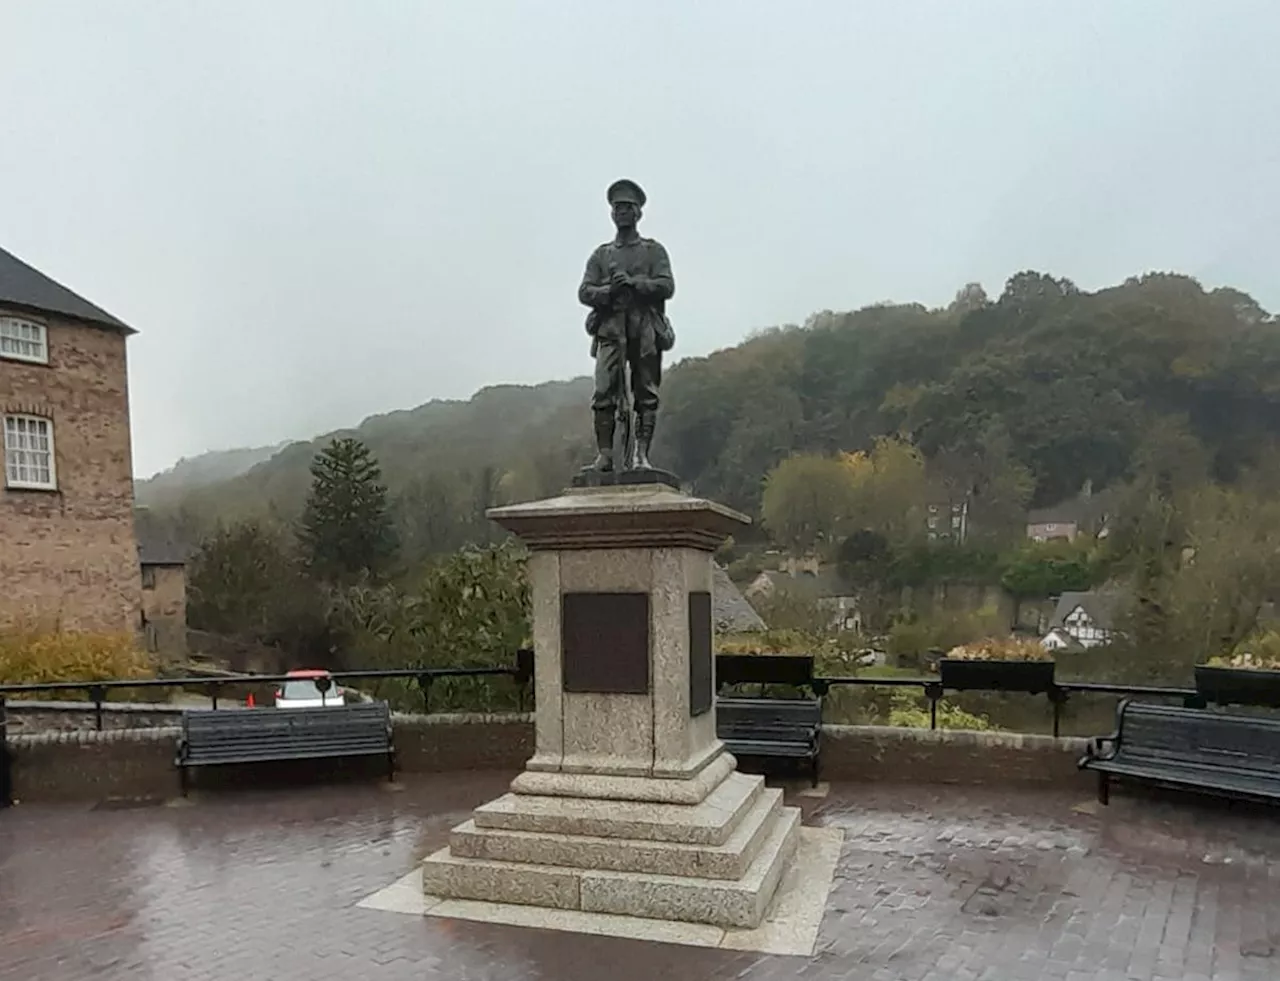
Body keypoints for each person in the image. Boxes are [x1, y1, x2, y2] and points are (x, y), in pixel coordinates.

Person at [578, 178, 675, 471]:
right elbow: (585, 291)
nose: (622, 212)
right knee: (603, 391)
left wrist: (634, 285)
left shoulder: (653, 251)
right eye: (617, 207)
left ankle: (640, 455)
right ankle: (605, 455)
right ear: (611, 213)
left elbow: (666, 285)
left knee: (646, 393)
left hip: (644, 330)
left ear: (638, 213)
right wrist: (609, 292)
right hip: (610, 330)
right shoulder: (601, 255)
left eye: (628, 207)